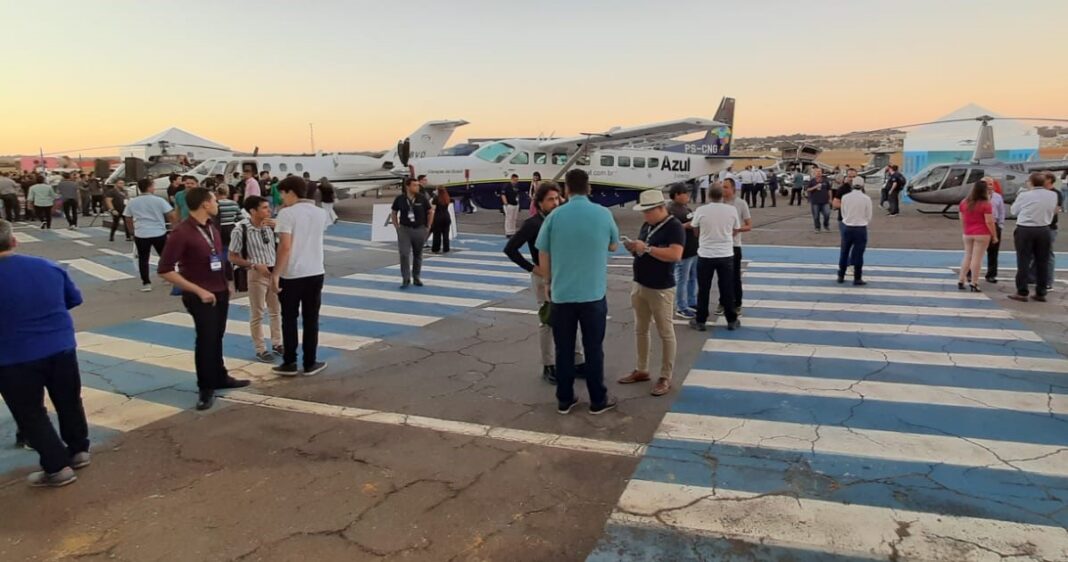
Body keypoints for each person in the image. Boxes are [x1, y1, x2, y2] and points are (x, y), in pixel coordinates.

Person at [0, 219, 90, 487]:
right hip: (60, 346)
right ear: (14, 241)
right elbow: (73, 298)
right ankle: (78, 450)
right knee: (69, 400)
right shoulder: (47, 266)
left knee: (30, 412)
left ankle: (56, 466)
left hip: (13, 356)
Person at [535, 169, 619, 415]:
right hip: (593, 294)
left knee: (564, 349)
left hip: (562, 295)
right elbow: (613, 245)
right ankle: (597, 400)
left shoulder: (555, 216)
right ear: (589, 188)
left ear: (566, 190)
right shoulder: (603, 213)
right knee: (594, 349)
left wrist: (548, 281)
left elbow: (543, 250)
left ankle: (565, 398)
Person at [158, 188, 249, 410]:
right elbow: (165, 269)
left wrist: (227, 283)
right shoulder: (182, 232)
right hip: (200, 295)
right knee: (206, 339)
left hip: (219, 290)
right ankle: (205, 387)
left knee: (217, 336)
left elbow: (217, 257)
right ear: (205, 204)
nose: (217, 203)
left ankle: (220, 375)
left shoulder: (211, 227)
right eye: (214, 200)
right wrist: (198, 291)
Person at [504, 181, 585, 384]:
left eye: (558, 198)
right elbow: (511, 249)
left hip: (564, 276)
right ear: (539, 202)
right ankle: (549, 365)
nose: (556, 202)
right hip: (543, 278)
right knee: (548, 321)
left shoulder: (562, 219)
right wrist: (533, 268)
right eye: (550, 199)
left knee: (571, 316)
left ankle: (577, 361)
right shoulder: (533, 224)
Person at [618, 191, 684, 397]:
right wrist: (634, 248)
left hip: (661, 286)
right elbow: (643, 248)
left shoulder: (674, 227)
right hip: (641, 283)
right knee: (641, 328)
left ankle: (666, 375)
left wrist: (646, 249)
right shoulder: (647, 225)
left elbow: (675, 254)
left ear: (660, 208)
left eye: (648, 211)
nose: (645, 216)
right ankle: (642, 368)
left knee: (665, 331)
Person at [271, 176, 330, 377]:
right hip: (315, 271)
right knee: (311, 319)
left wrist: (275, 274)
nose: (281, 198)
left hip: (292, 273)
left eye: (282, 193)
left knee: (289, 319)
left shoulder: (286, 214)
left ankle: (289, 362)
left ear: (290, 192)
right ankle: (310, 362)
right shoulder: (320, 213)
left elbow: (285, 247)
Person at [229, 196, 282, 363]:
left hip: (273, 272)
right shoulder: (240, 230)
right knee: (258, 312)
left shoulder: (271, 227)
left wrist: (279, 227)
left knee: (276, 310)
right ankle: (260, 348)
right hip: (256, 274)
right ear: (253, 210)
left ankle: (277, 343)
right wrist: (253, 265)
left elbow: (281, 246)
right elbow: (232, 256)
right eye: (265, 208)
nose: (269, 211)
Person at [689, 184, 741, 332]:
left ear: (709, 195)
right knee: (726, 288)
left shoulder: (701, 210)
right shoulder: (731, 210)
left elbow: (695, 228)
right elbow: (736, 229)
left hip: (706, 254)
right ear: (722, 195)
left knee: (704, 288)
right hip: (725, 253)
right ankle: (731, 319)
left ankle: (701, 319)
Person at [1010, 172, 1058, 302]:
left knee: (1024, 260)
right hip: (1044, 228)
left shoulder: (1024, 195)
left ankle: (1022, 291)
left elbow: (1013, 211)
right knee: (1042, 261)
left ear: (1031, 182)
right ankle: (1041, 291)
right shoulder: (1053, 195)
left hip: (1025, 228)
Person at [124, 178, 177, 291]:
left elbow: (128, 218)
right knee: (165, 256)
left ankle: (146, 283)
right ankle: (169, 277)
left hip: (141, 233)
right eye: (153, 186)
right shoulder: (159, 200)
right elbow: (171, 214)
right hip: (159, 232)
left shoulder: (133, 202)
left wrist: (131, 231)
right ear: (149, 187)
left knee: (143, 259)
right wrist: (174, 227)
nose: (154, 188)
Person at [391, 177, 433, 288]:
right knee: (404, 254)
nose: (417, 187)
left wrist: (428, 226)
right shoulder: (400, 199)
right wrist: (397, 226)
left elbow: (430, 211)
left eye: (418, 185)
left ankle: (416, 277)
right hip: (405, 229)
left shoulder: (422, 198)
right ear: (408, 186)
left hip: (419, 229)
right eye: (414, 185)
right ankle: (406, 278)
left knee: (418, 254)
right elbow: (394, 212)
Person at [956, 180, 995, 292]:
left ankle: (961, 279)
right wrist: (994, 235)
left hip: (968, 233)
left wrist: (965, 230)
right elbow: (989, 221)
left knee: (967, 256)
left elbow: (962, 219)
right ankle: (974, 282)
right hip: (982, 233)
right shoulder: (986, 204)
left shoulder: (964, 202)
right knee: (977, 258)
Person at [1027, 172, 1063, 291]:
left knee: (1047, 254)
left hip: (1048, 227)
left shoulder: (1056, 193)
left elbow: (1055, 210)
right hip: (1038, 226)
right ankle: (1032, 276)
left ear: (1049, 180)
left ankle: (1048, 280)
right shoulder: (1040, 193)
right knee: (1033, 253)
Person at [834, 176, 873, 285]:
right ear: (862, 185)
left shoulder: (845, 197)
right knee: (859, 254)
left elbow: (843, 212)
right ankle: (857, 277)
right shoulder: (866, 198)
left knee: (844, 252)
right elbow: (869, 215)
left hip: (848, 226)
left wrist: (848, 220)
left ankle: (841, 275)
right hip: (860, 228)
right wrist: (863, 221)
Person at [667, 183, 698, 319]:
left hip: (693, 248)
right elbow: (670, 227)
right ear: (677, 195)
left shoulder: (685, 207)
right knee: (682, 279)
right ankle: (681, 306)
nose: (687, 196)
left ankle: (692, 301)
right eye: (685, 193)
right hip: (682, 250)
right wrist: (687, 225)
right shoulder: (671, 209)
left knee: (692, 277)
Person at [721, 178, 751, 315]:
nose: (723, 189)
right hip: (720, 246)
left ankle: (737, 303)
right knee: (722, 277)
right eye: (722, 187)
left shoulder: (740, 204)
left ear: (733, 188)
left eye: (726, 187)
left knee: (734, 277)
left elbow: (749, 225)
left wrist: (737, 230)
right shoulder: (718, 203)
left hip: (734, 245)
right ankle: (723, 302)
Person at [985, 177, 1006, 283]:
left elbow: (1001, 211)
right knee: (976, 251)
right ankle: (970, 272)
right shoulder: (977, 197)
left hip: (995, 224)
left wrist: (1000, 225)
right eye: (988, 184)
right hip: (982, 225)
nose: (990, 186)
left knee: (993, 251)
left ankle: (991, 274)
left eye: (991, 184)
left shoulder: (998, 197)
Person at [215, 185, 241, 249]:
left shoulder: (215, 204)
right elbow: (240, 217)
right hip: (231, 228)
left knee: (220, 247)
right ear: (228, 193)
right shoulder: (234, 203)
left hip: (219, 228)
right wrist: (232, 220)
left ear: (217, 193)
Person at [807, 168, 832, 233]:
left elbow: (829, 190)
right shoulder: (812, 181)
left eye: (820, 172)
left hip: (825, 201)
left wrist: (830, 198)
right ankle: (817, 228)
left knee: (827, 214)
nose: (818, 173)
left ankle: (826, 225)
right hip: (815, 201)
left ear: (821, 173)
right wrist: (815, 187)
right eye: (817, 172)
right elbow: (808, 189)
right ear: (814, 173)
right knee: (816, 216)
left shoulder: (826, 181)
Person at [430, 186, 452, 253]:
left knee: (437, 234)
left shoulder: (436, 198)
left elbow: (433, 208)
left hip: (438, 217)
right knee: (446, 234)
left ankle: (436, 248)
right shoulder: (447, 197)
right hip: (446, 216)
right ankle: (446, 248)